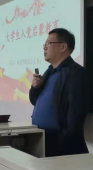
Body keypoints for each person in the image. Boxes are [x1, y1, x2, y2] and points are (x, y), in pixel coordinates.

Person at [30, 28, 89, 157]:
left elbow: (75, 114)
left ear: (63, 47)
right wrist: (35, 87)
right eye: (44, 44)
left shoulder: (76, 73)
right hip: (42, 140)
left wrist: (61, 142)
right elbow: (35, 101)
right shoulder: (49, 71)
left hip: (62, 147)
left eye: (49, 43)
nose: (45, 47)